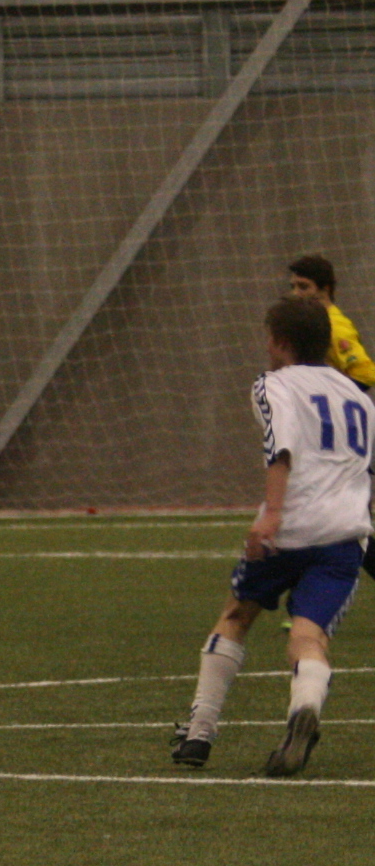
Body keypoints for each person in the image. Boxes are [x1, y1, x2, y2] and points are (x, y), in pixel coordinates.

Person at [170, 296, 371, 776]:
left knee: (236, 615)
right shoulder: (360, 398)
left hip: (291, 528)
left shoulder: (273, 384)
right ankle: (305, 706)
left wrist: (272, 516)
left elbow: (280, 448)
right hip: (345, 533)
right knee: (308, 636)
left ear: (279, 342)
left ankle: (199, 732)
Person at [282, 255, 375, 391]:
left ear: (325, 290)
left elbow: (365, 374)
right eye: (293, 286)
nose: (295, 293)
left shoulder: (335, 326)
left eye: (303, 287)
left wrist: (332, 396)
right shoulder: (310, 321)